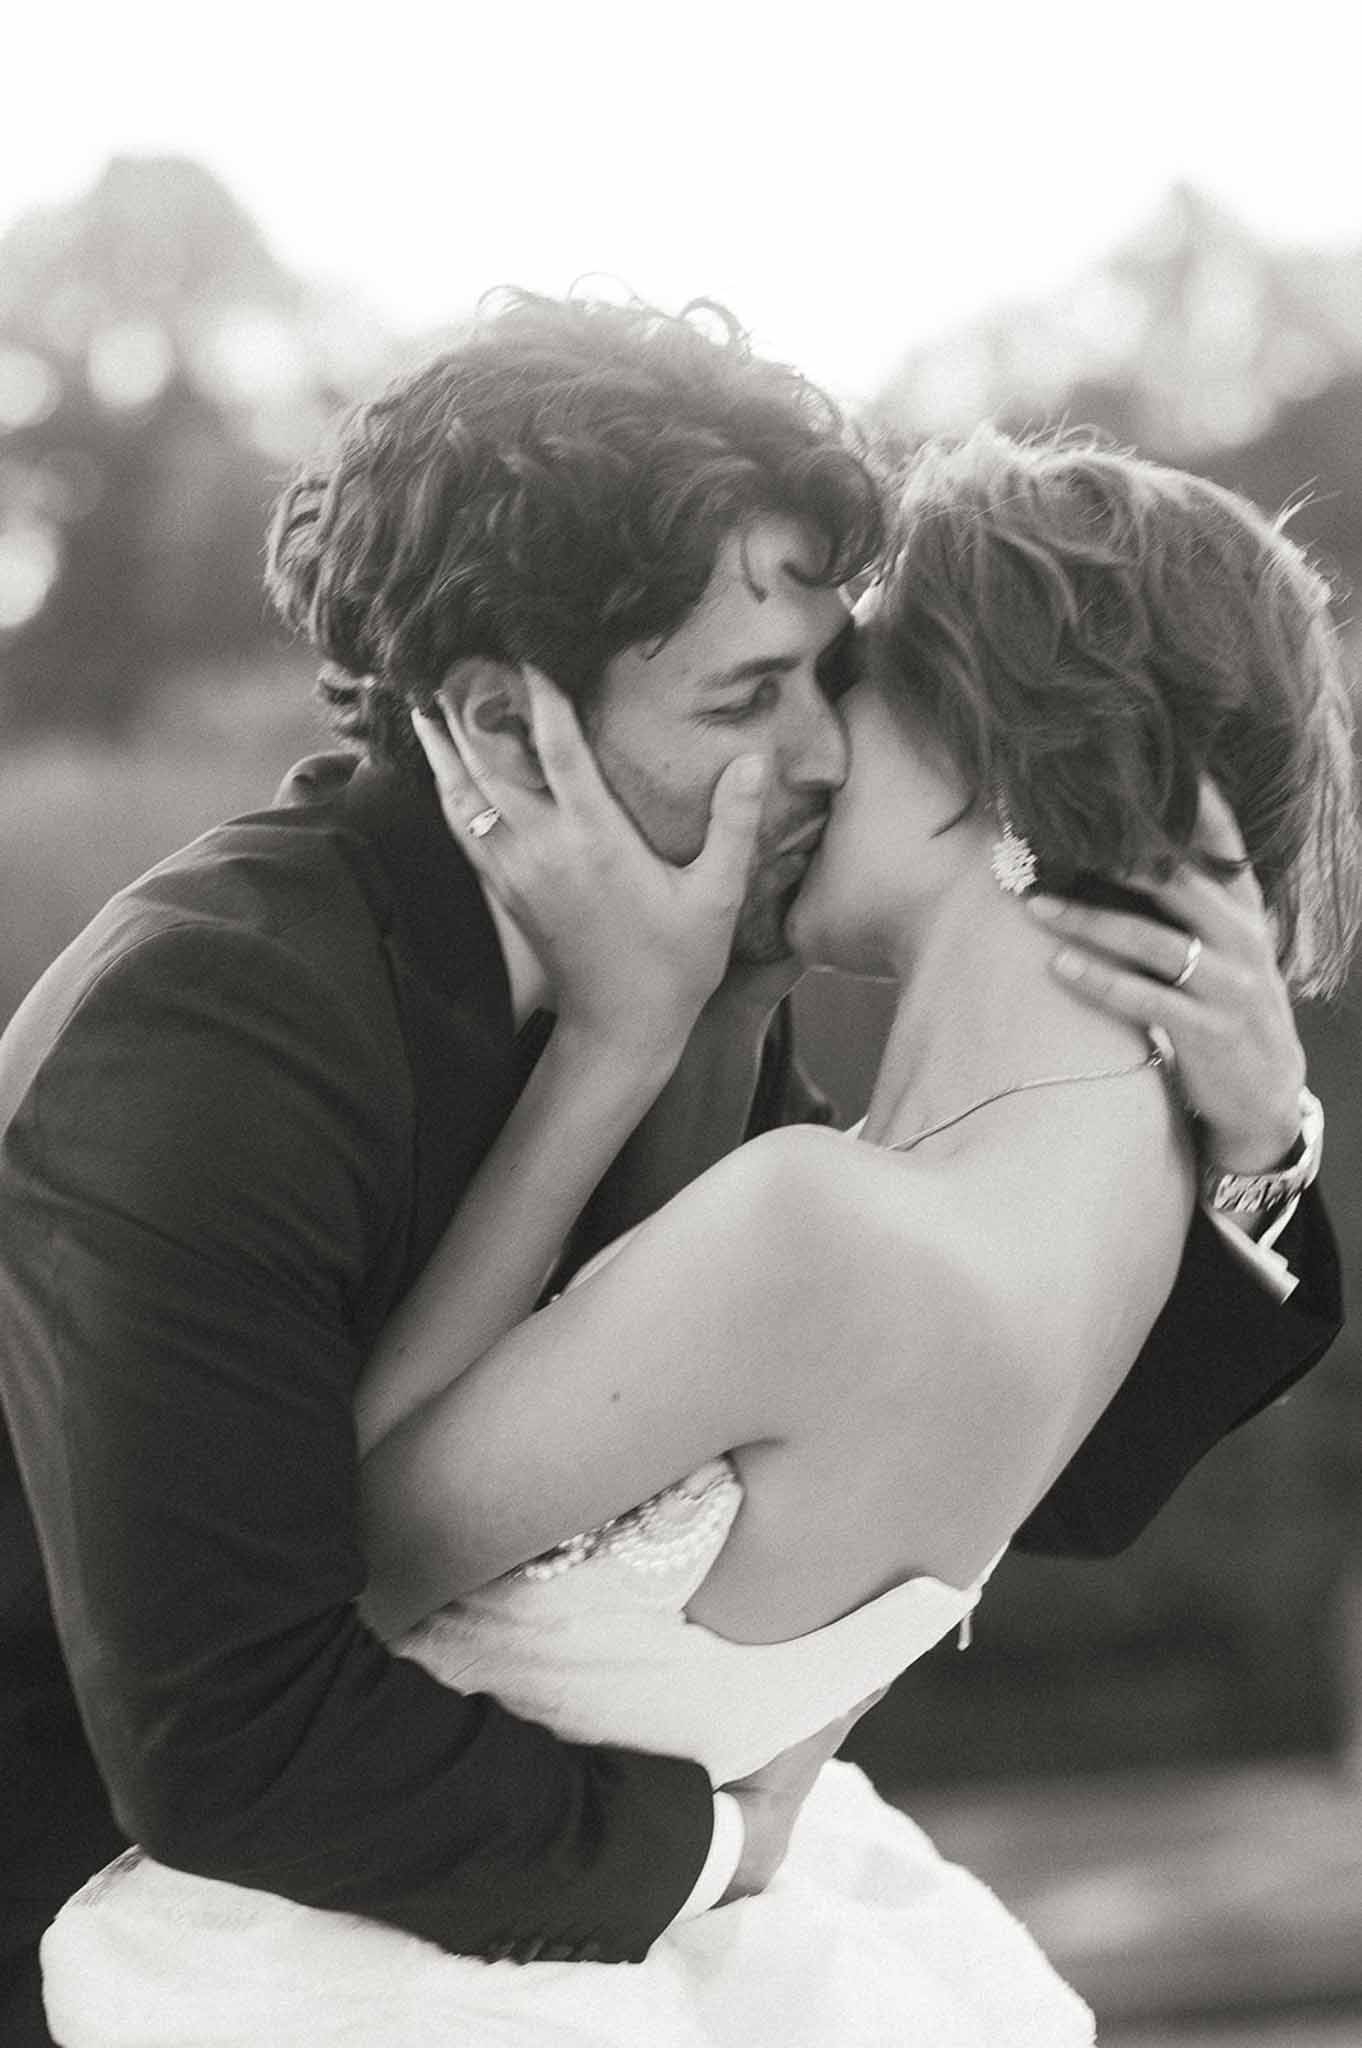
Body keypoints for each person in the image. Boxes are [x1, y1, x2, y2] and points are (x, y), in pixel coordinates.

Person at [0, 299, 1342, 2042]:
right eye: (753, 697)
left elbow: (1008, 1467)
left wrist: (1259, 1154)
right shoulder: (206, 1031)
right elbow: (233, 1728)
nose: (815, 756)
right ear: (497, 722)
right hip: (100, 1904)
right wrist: (713, 1853)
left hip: (521, 1914)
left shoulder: (715, 970)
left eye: (837, 682)